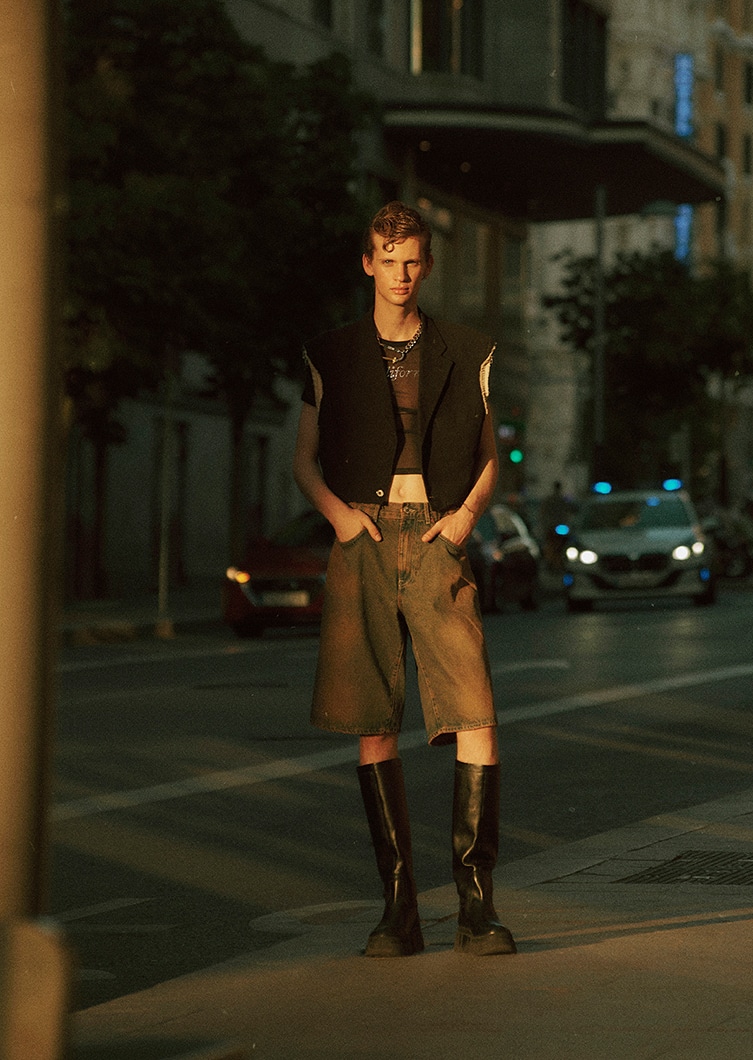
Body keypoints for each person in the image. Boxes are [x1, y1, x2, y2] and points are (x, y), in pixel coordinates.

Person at [292, 200, 516, 958]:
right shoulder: (330, 353)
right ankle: (399, 911)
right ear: (368, 264)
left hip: (435, 535)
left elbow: (490, 454)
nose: (401, 273)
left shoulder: (467, 349)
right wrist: (338, 518)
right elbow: (304, 459)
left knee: (475, 712)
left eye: (412, 260)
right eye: (388, 261)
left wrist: (464, 520)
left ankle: (476, 908)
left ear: (427, 264)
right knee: (373, 721)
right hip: (360, 536)